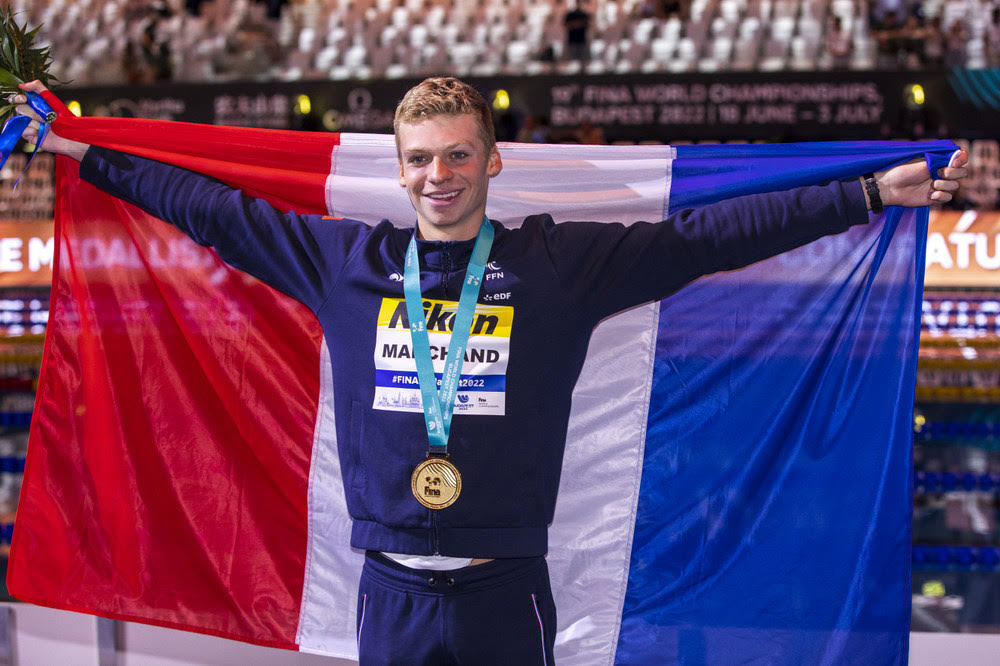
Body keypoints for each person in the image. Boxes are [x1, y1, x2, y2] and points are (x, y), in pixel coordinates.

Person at [15, 77, 967, 664]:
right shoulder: (344, 264)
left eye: (458, 155)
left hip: (506, 588)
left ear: (493, 161)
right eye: (421, 159)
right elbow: (207, 207)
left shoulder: (558, 265)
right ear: (398, 170)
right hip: (387, 590)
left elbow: (709, 236)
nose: (440, 174)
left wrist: (869, 193)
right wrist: (74, 145)